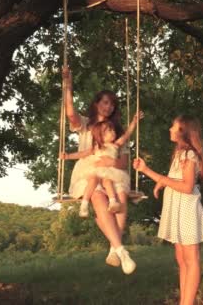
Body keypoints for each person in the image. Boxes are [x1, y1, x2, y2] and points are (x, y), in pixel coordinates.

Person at [62, 66, 136, 275]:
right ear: (96, 104)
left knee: (120, 198)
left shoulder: (117, 132)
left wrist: (108, 163)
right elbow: (69, 112)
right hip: (89, 170)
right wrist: (68, 85)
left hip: (114, 172)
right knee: (97, 194)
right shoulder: (86, 124)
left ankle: (114, 248)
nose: (109, 107)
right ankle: (120, 250)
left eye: (112, 104)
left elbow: (123, 163)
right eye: (105, 102)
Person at [133, 115, 203, 305]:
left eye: (173, 126)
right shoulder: (179, 154)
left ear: (183, 131)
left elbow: (187, 186)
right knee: (181, 259)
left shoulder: (189, 155)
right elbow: (174, 178)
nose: (169, 129)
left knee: (191, 260)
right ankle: (184, 301)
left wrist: (151, 173)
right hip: (177, 209)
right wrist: (159, 182)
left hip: (187, 210)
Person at [61, 112, 143, 216]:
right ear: (101, 136)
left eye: (112, 129)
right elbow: (82, 154)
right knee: (93, 180)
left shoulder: (116, 145)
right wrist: (68, 156)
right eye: (109, 130)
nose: (113, 132)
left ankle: (113, 202)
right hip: (97, 168)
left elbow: (126, 135)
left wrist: (134, 122)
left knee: (107, 181)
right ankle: (84, 204)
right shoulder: (96, 147)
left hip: (109, 170)